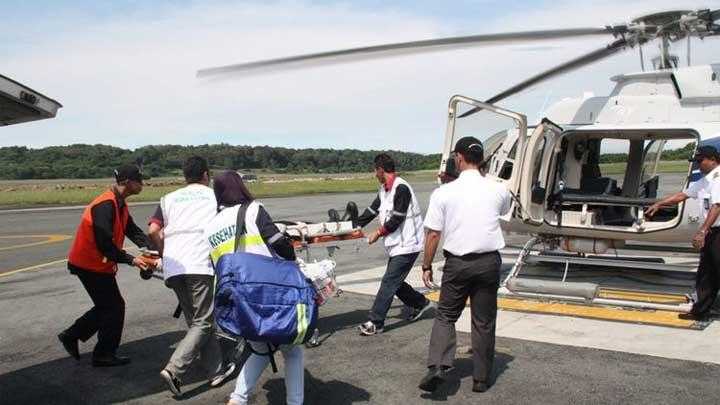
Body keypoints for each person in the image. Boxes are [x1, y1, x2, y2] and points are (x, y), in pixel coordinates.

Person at [418, 137, 511, 393]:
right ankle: (481, 379)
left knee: (446, 315)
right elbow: (504, 209)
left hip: (458, 264)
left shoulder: (444, 193)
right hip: (489, 262)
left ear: (458, 158)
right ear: (481, 159)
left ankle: (438, 365)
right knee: (483, 320)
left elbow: (433, 234)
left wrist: (426, 265)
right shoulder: (498, 189)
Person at [202, 171, 301, 405]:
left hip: (237, 300)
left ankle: (237, 399)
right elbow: (278, 243)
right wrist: (292, 261)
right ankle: (295, 402)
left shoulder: (210, 227)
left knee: (260, 349)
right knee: (292, 350)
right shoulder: (252, 209)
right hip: (265, 293)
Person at [147, 156, 236, 396]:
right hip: (199, 263)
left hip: (174, 267)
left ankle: (216, 371)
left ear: (185, 176)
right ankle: (175, 369)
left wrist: (165, 253)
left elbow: (153, 230)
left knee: (198, 322)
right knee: (204, 321)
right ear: (206, 175)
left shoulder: (168, 198)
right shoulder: (212, 196)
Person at [58, 164, 154, 367]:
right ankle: (103, 353)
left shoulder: (120, 203)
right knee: (114, 307)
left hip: (97, 264)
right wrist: (132, 259)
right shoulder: (105, 205)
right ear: (127, 182)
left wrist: (152, 247)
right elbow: (104, 245)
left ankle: (72, 335)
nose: (142, 184)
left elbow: (132, 230)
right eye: (139, 180)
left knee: (107, 306)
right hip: (89, 264)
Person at [355, 153, 434, 336]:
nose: (374, 174)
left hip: (409, 244)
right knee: (395, 282)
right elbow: (372, 210)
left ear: (381, 170)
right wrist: (354, 226)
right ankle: (421, 303)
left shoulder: (401, 188)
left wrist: (377, 233)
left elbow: (397, 218)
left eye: (375, 170)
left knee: (389, 281)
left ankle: (376, 322)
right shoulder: (384, 189)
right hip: (397, 245)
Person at [646, 145, 720, 320]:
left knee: (713, 270)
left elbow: (717, 207)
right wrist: (659, 204)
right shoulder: (705, 180)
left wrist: (702, 231)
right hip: (712, 233)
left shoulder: (718, 179)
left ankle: (702, 309)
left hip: (716, 232)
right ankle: (700, 311)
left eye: (700, 161)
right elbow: (682, 195)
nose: (698, 165)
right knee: (706, 273)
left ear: (712, 159)